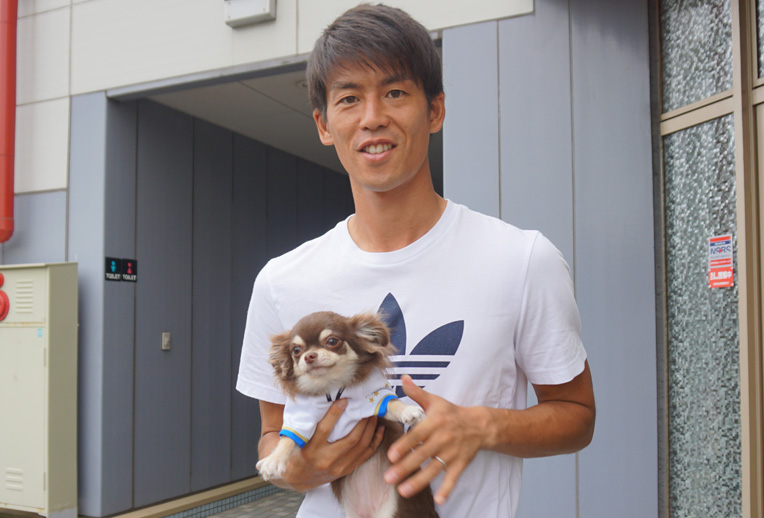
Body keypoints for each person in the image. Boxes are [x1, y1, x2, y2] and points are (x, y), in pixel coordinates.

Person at [236, 4, 596, 517]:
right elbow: (273, 432)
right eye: (349, 98)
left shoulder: (522, 260)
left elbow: (577, 416)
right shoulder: (280, 279)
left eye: (395, 93)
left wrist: (483, 426)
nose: (372, 117)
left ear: (435, 111)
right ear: (324, 124)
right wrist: (296, 469)